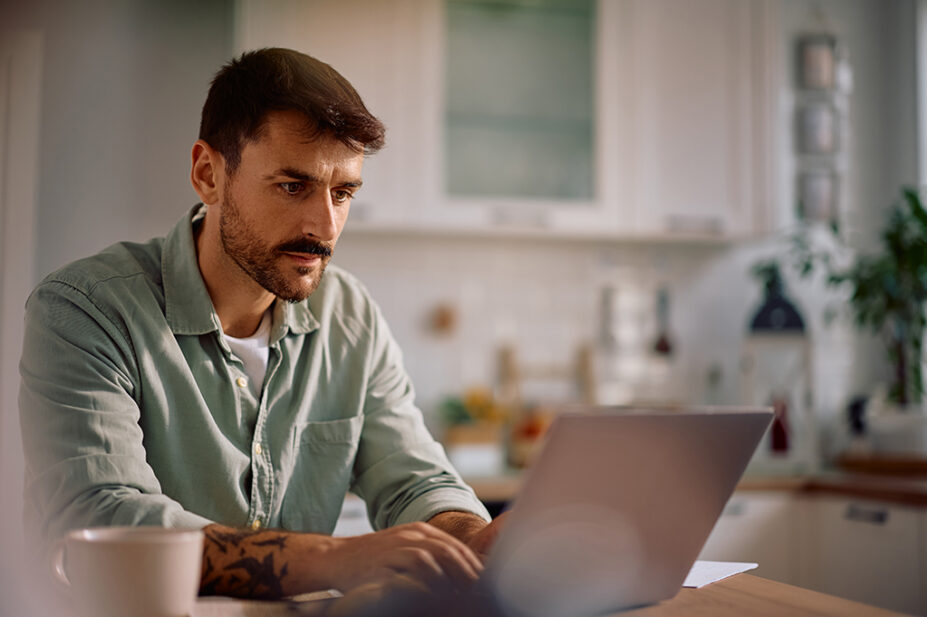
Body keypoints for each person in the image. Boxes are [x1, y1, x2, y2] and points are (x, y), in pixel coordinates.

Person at [19, 47, 503, 602]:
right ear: (208, 175)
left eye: (342, 192)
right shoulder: (85, 309)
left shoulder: (349, 315)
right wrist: (337, 559)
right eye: (293, 186)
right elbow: (103, 519)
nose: (324, 226)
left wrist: (474, 542)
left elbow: (415, 477)